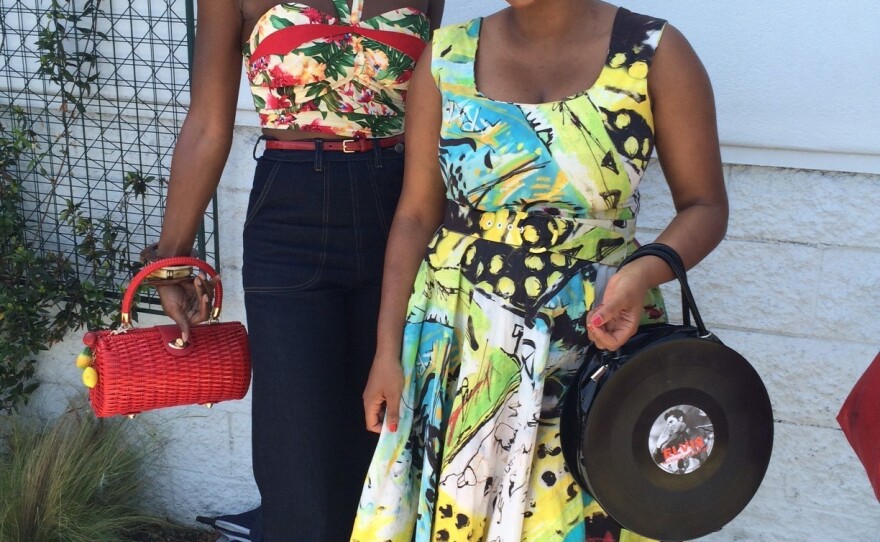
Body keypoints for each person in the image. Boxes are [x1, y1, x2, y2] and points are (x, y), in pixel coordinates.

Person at [352, 0, 728, 540]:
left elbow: (705, 206)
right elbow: (415, 215)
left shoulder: (654, 53)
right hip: (462, 344)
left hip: (596, 339)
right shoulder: (446, 56)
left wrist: (642, 274)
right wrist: (388, 351)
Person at [146, 1, 444, 540]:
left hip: (402, 210)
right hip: (290, 213)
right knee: (297, 448)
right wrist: (172, 259)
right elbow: (209, 125)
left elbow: (434, 107)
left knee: (390, 441)